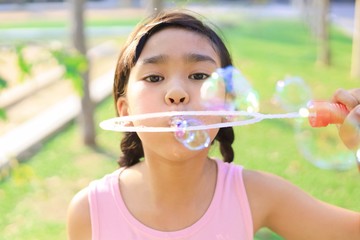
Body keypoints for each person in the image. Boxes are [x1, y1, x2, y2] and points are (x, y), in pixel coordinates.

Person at [67, 9, 360, 240]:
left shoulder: (254, 194)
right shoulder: (90, 211)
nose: (177, 93)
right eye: (154, 78)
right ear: (125, 112)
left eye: (199, 76)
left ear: (227, 108)